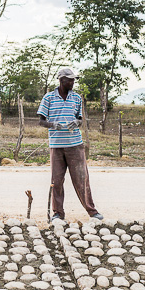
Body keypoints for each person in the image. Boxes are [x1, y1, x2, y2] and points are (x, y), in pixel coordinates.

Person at [37, 67, 103, 221]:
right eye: (70, 80)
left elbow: (80, 119)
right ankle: (58, 213)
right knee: (57, 181)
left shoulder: (77, 98)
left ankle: (92, 211)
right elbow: (41, 121)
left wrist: (77, 122)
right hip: (56, 145)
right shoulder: (48, 98)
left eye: (73, 79)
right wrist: (53, 125)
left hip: (75, 145)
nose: (73, 82)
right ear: (61, 80)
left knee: (82, 178)